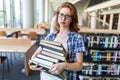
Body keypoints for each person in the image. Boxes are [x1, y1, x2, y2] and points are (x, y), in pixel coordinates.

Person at [29, 2, 86, 80]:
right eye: (61, 14)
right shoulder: (50, 36)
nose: (63, 18)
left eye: (67, 16)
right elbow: (35, 56)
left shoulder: (76, 38)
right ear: (57, 16)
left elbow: (79, 66)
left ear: (72, 19)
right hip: (45, 77)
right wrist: (32, 64)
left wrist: (64, 65)